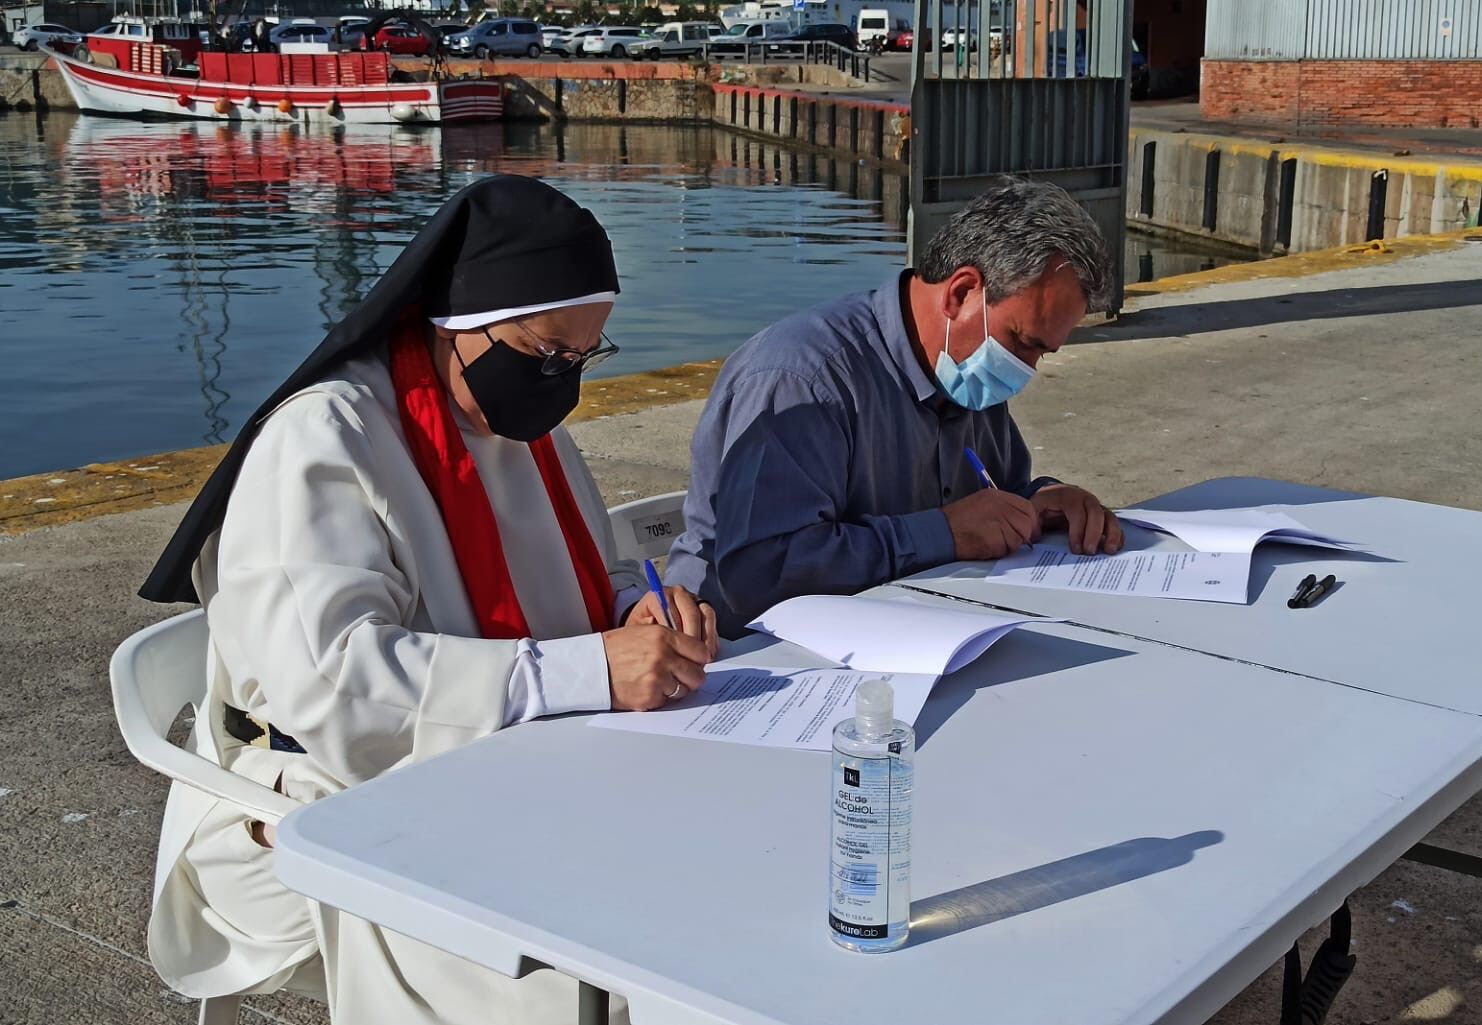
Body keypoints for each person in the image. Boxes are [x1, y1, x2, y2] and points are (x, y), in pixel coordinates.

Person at [138, 176, 717, 1024]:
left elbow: (587, 573)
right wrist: (590, 668)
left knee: (695, 871)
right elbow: (338, 688)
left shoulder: (518, 423)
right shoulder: (326, 438)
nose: (562, 382)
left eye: (585, 357)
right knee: (607, 961)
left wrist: (637, 609)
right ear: (457, 326)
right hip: (304, 798)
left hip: (503, 765)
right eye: (547, 353)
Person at [665, 180, 1124, 633]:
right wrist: (943, 534)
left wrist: (1038, 503)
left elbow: (992, 495)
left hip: (915, 632)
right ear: (961, 293)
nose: (1025, 369)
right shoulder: (802, 380)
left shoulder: (965, 366)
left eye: (1042, 353)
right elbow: (762, 574)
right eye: (1022, 343)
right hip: (755, 662)